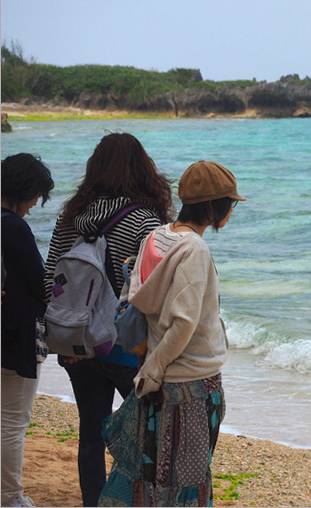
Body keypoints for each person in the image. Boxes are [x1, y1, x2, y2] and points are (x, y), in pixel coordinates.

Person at [98, 160, 244, 507]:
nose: (231, 210)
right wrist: (154, 371)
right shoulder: (195, 250)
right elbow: (183, 323)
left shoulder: (157, 236)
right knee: (187, 481)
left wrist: (150, 369)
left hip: (157, 377)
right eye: (230, 203)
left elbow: (142, 301)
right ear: (212, 206)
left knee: (154, 475)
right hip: (191, 382)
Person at [44, 133, 173, 507]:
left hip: (78, 342)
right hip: (124, 348)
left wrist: (63, 337)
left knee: (91, 432)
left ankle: (94, 503)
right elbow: (153, 291)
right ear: (142, 170)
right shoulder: (145, 221)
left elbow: (50, 277)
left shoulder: (71, 218)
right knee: (145, 435)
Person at [1, 153, 55, 508]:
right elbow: (41, 283)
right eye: (37, 195)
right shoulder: (12, 226)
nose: (36, 204)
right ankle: (9, 497)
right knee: (12, 421)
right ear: (25, 189)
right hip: (13, 337)